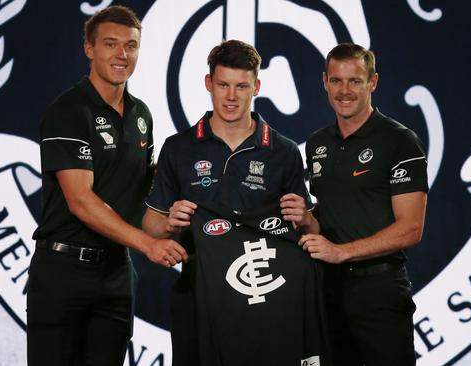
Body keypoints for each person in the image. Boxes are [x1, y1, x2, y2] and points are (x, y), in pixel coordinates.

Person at [142, 39, 319, 365]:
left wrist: (306, 219)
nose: (231, 96)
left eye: (241, 86)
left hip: (265, 298)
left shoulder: (284, 151)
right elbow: (151, 227)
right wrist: (168, 223)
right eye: (223, 85)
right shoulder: (178, 148)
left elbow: (310, 229)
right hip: (198, 297)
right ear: (208, 83)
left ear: (257, 87)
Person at [27, 6, 185, 365]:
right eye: (110, 44)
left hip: (116, 273)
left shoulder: (141, 114)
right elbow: (80, 201)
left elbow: (145, 187)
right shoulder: (68, 111)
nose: (121, 55)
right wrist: (148, 244)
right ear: (89, 49)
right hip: (63, 272)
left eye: (130, 46)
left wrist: (187, 174)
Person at [300, 43, 428, 365]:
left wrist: (342, 252)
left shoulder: (399, 141)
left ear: (373, 83)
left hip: (379, 290)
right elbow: (327, 214)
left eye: (355, 81)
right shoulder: (317, 143)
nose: (345, 91)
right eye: (337, 81)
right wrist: (304, 217)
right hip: (328, 290)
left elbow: (411, 228)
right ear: (325, 82)